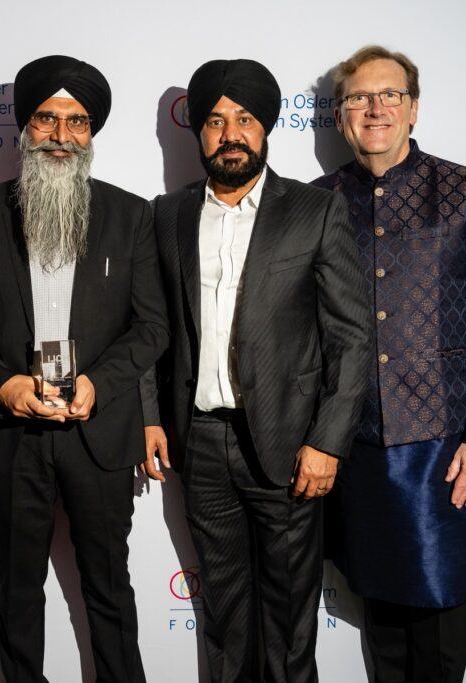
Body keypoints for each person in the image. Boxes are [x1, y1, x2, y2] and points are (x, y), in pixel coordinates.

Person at [140, 59, 372, 683]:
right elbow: (152, 327)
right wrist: (149, 417)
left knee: (290, 618)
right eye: (216, 121)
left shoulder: (314, 210)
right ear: (198, 133)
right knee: (224, 615)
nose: (231, 134)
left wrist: (327, 443)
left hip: (290, 443)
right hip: (200, 443)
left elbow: (352, 338)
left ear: (265, 128)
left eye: (244, 119)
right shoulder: (167, 214)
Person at [0, 55, 169, 683]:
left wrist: (99, 383)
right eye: (47, 119)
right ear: (25, 127)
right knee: (18, 594)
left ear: (91, 132)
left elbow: (151, 327)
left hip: (99, 433)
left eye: (77, 122)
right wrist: (5, 385)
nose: (61, 135)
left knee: (109, 588)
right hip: (12, 435)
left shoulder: (130, 215)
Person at [313, 45, 466, 682]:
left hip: (446, 450)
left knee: (439, 624)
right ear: (340, 116)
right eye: (359, 97)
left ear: (414, 109)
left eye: (390, 95)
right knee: (380, 624)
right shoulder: (317, 203)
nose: (375, 108)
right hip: (356, 450)